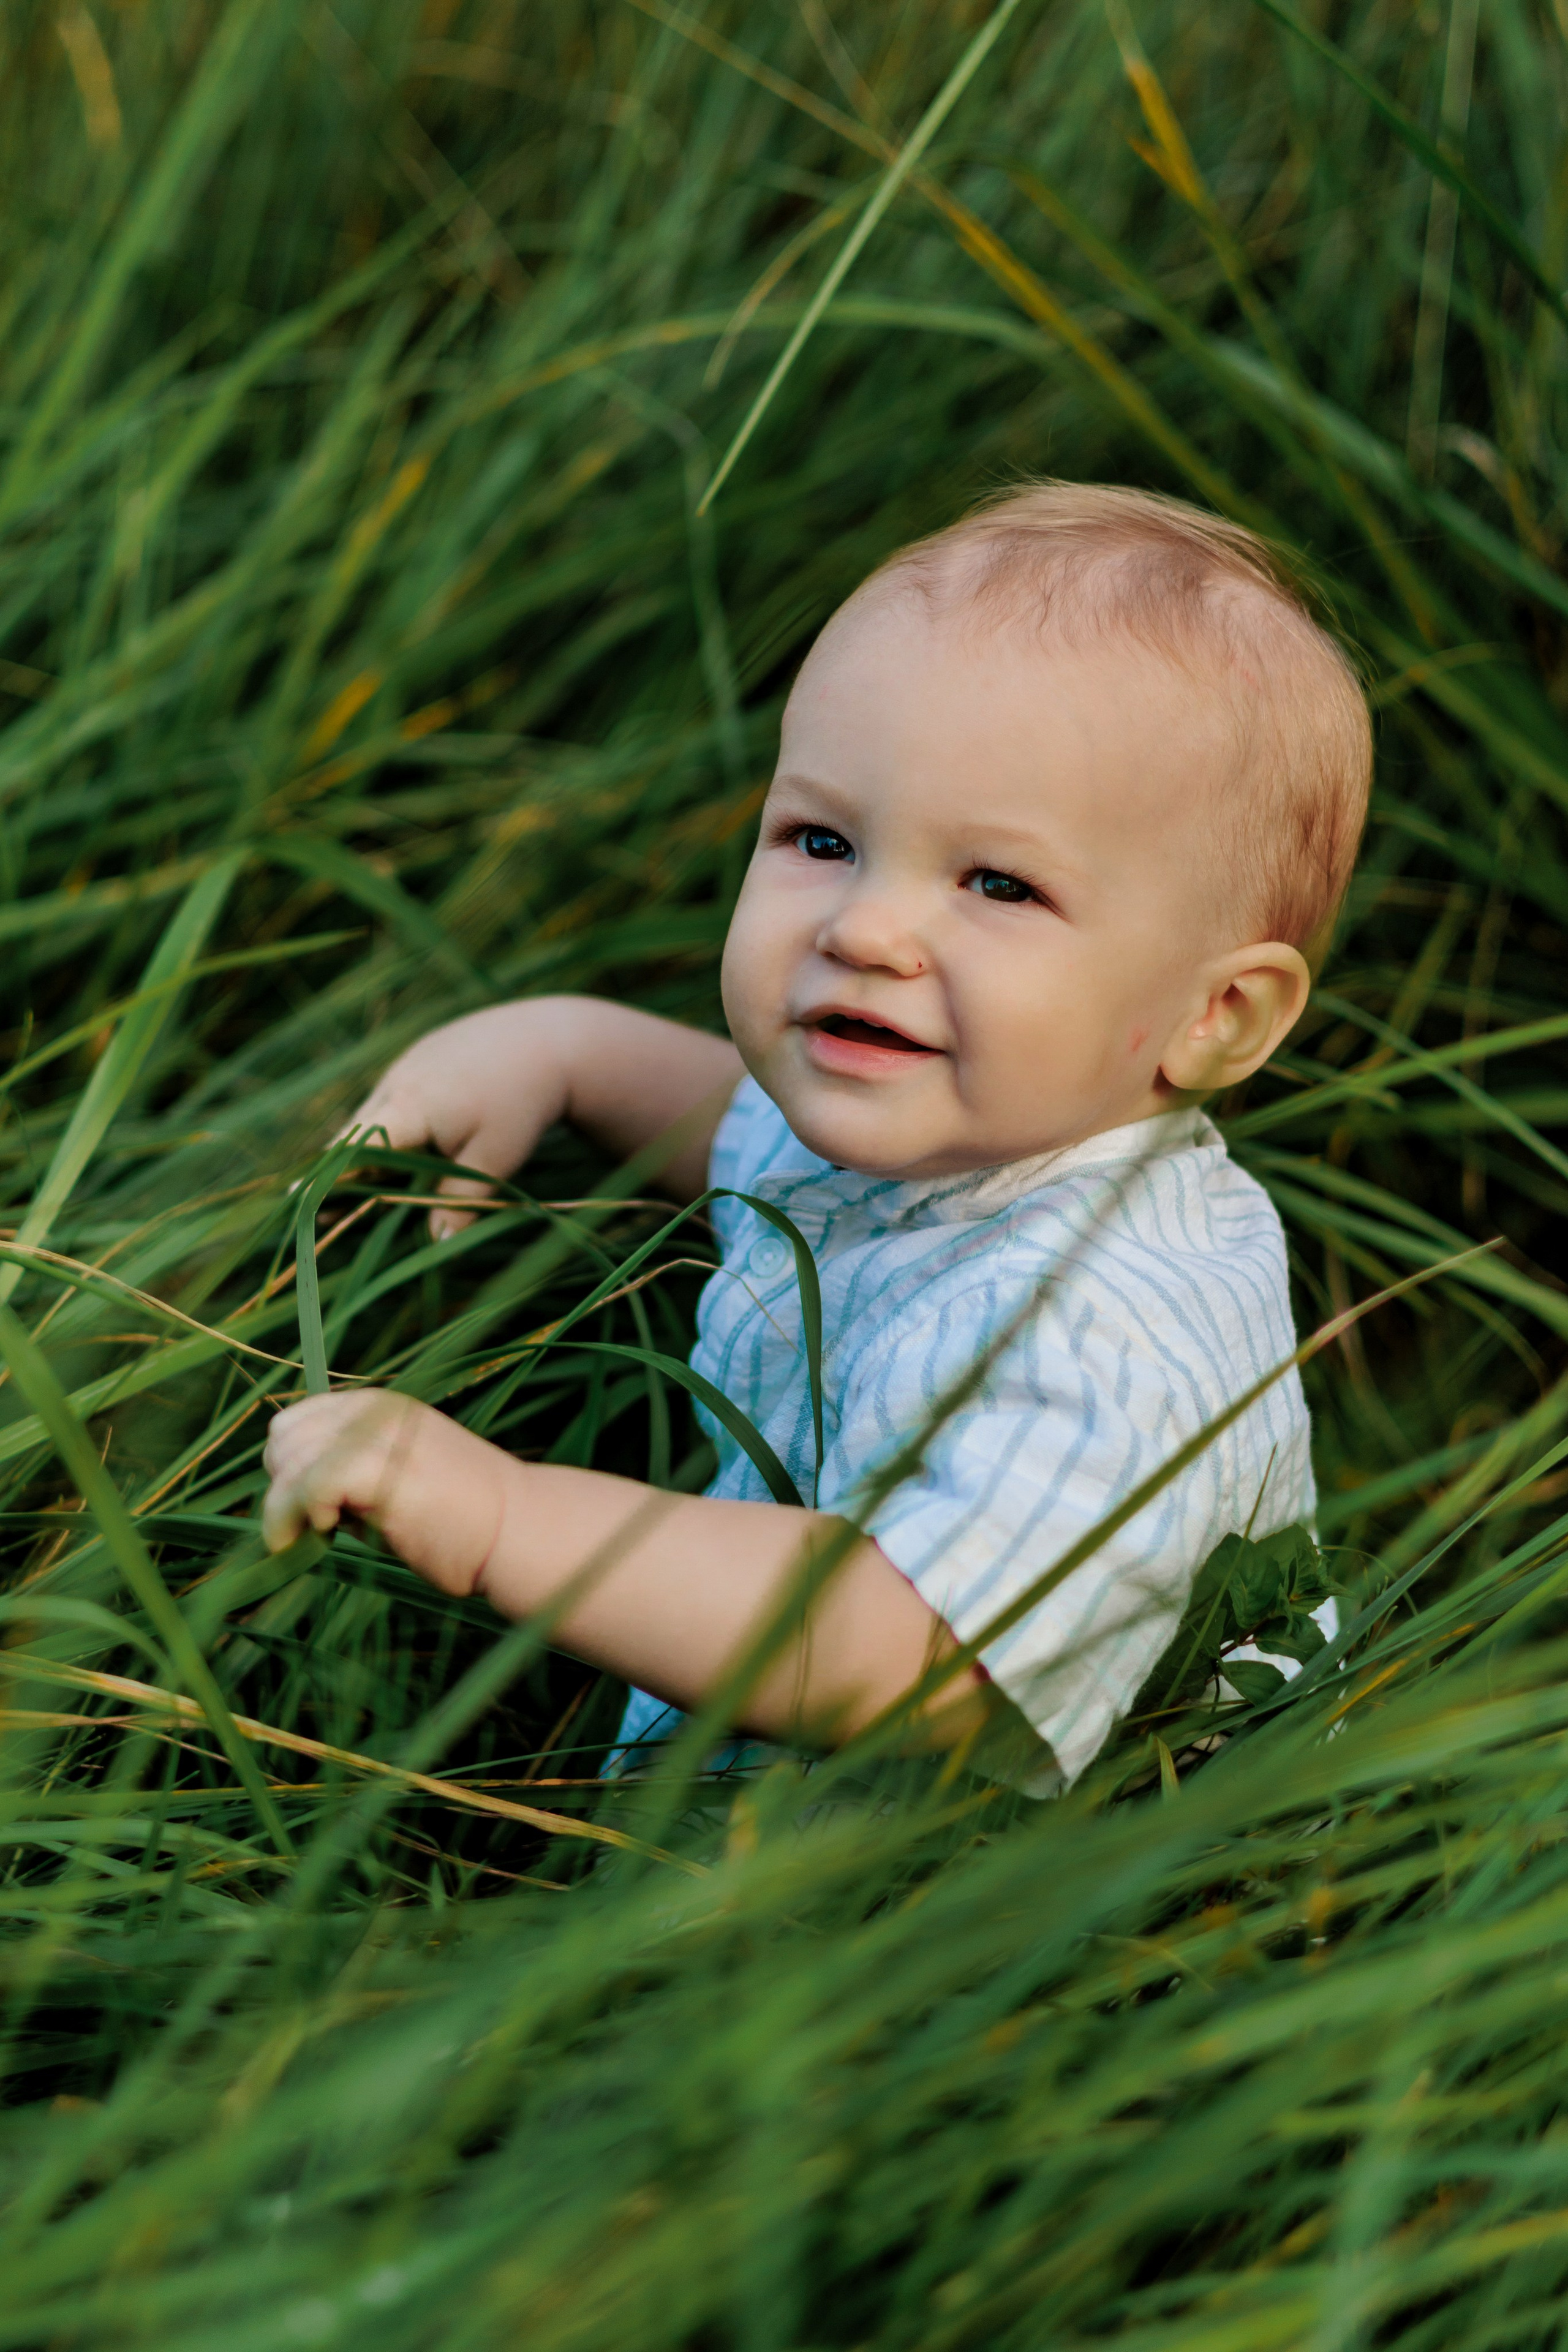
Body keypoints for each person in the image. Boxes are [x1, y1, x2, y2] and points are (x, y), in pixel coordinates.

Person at [261, 481, 1371, 1790]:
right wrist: (556, 1047)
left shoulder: (1094, 1332)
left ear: (1216, 1015)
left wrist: (507, 1518)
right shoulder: (962, 1122)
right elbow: (740, 1129)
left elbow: (912, 1652)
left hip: (1040, 1920)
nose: (864, 930)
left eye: (998, 884)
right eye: (824, 840)